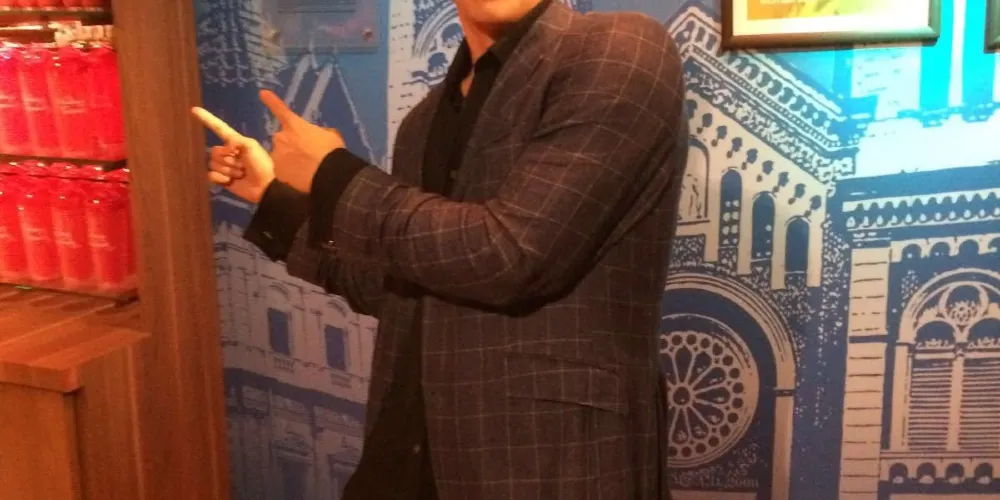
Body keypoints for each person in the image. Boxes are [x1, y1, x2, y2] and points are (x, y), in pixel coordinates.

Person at [192, 0, 686, 497]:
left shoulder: (618, 50)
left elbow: (511, 253)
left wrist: (332, 175)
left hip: (548, 463)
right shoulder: (425, 120)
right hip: (405, 456)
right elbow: (397, 290)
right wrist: (273, 197)